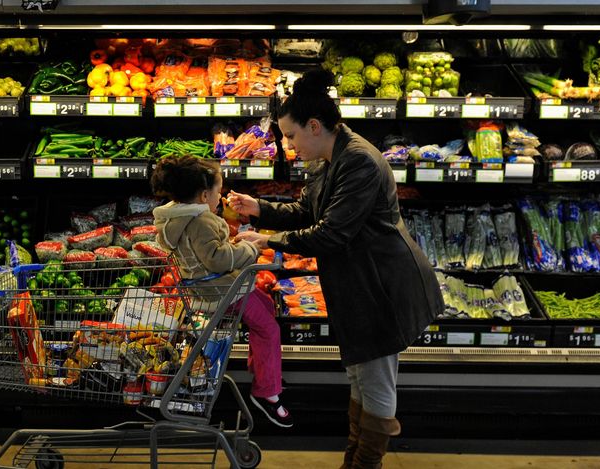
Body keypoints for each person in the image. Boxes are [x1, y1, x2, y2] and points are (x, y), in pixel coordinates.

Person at [231, 69, 443, 468]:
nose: (287, 146)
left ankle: (364, 463)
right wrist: (259, 210)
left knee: (375, 377)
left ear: (314, 126)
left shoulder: (358, 161)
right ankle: (355, 458)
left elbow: (331, 233)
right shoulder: (330, 157)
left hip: (381, 284)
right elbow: (307, 211)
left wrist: (268, 241)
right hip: (357, 281)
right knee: (361, 375)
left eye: (291, 136)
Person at [150, 156, 293, 428]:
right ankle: (266, 393)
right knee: (269, 329)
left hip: (215, 287)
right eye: (219, 191)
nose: (222, 197)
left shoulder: (180, 217)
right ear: (204, 195)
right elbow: (216, 258)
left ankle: (266, 370)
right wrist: (249, 248)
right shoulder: (201, 221)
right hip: (221, 291)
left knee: (264, 305)